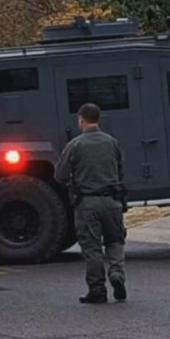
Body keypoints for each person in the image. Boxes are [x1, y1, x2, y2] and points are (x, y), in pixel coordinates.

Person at [55, 103, 128, 304]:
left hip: (87, 203)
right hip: (112, 201)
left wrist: (74, 181)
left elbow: (59, 175)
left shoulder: (75, 145)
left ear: (80, 120)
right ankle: (117, 275)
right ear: (99, 119)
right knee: (115, 241)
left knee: (92, 247)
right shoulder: (112, 142)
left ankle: (97, 290)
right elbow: (120, 170)